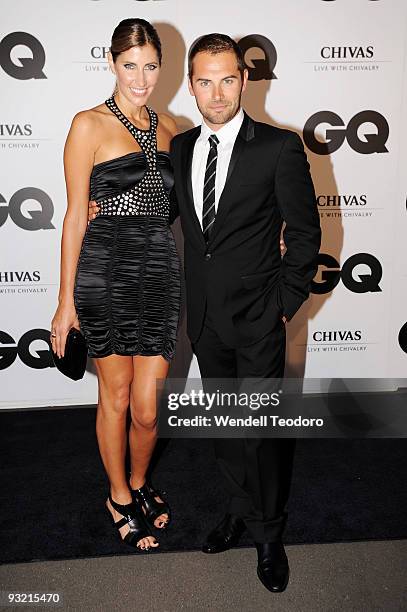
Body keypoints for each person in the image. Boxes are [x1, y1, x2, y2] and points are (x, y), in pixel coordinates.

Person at [89, 33, 321, 592]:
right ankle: (239, 511)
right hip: (203, 317)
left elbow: (307, 235)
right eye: (204, 80)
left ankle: (269, 535)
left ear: (244, 81)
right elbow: (155, 209)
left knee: (261, 429)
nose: (216, 93)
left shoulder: (279, 147)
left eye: (227, 79)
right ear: (190, 85)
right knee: (225, 424)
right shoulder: (182, 146)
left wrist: (283, 306)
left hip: (260, 316)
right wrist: (105, 212)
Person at [51, 18, 181, 552]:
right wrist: (65, 304)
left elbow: (183, 207)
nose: (141, 77)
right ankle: (119, 496)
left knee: (149, 408)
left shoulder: (171, 127)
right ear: (111, 63)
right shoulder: (87, 125)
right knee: (118, 394)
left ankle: (141, 480)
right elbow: (75, 216)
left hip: (158, 271)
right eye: (130, 65)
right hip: (105, 271)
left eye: (150, 66)